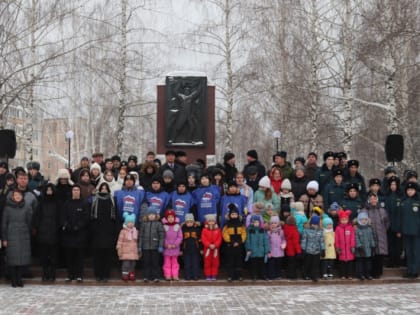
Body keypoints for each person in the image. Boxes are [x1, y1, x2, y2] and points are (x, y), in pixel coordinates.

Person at [2, 190, 33, 287]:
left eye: (19, 195)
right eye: (15, 195)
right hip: (11, 235)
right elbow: (4, 224)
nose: (17, 197)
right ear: (12, 197)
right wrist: (4, 238)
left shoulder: (27, 207)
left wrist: (27, 230)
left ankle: (19, 279)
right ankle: (13, 280)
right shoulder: (7, 208)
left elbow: (29, 221)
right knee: (12, 259)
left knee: (21, 259)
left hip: (23, 235)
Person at [60, 184, 90, 283]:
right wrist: (68, 226)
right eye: (74, 190)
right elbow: (63, 217)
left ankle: (79, 275)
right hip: (69, 234)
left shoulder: (84, 203)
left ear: (80, 192)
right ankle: (70, 274)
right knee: (69, 256)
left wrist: (78, 226)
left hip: (80, 234)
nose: (76, 192)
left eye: (77, 190)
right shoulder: (67, 203)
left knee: (79, 256)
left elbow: (86, 218)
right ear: (72, 192)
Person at [90, 182, 118, 282]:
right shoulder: (95, 200)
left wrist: (113, 230)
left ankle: (106, 274)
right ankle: (98, 274)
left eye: (106, 188)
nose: (104, 190)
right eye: (102, 188)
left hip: (108, 231)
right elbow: (92, 216)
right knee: (98, 255)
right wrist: (94, 228)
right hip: (97, 231)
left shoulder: (112, 200)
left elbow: (115, 216)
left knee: (107, 255)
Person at [32, 183, 59, 281]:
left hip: (54, 233)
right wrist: (37, 227)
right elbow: (36, 217)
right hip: (43, 233)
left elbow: (60, 218)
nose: (49, 192)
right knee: (44, 255)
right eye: (47, 190)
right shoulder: (41, 203)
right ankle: (45, 273)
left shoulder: (57, 203)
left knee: (53, 256)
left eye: (50, 190)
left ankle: (52, 273)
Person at [360, 193, 389, 278]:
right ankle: (370, 272)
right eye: (371, 198)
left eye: (374, 198)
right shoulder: (364, 210)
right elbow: (361, 222)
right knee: (371, 254)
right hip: (369, 235)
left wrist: (383, 230)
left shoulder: (382, 210)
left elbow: (387, 222)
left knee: (379, 255)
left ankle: (378, 272)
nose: (373, 200)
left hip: (381, 235)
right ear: (369, 200)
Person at [396, 182, 420, 279]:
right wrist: (399, 230)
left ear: (415, 191)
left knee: (416, 252)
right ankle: (409, 270)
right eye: (408, 190)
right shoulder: (403, 201)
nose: (410, 191)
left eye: (412, 190)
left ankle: (415, 271)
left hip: (417, 232)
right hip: (405, 231)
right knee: (408, 252)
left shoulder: (418, 201)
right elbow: (399, 217)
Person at [139, 207, 165, 282]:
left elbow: (162, 235)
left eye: (153, 215)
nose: (151, 216)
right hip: (146, 247)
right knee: (146, 262)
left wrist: (160, 245)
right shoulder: (144, 224)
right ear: (147, 215)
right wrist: (140, 246)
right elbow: (141, 236)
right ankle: (146, 276)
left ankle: (155, 277)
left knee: (155, 262)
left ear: (156, 216)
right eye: (149, 214)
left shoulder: (158, 224)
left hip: (155, 247)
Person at [222, 204, 246, 281]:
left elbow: (244, 233)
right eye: (232, 214)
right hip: (230, 245)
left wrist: (240, 242)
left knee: (238, 261)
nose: (234, 216)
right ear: (230, 215)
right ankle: (230, 275)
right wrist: (232, 242)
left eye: (236, 214)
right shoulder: (227, 225)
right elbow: (225, 234)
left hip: (239, 245)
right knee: (230, 261)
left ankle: (239, 275)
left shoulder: (241, 224)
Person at [245, 215, 270, 281]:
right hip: (253, 251)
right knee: (254, 265)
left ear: (259, 223)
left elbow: (266, 241)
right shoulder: (249, 231)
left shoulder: (262, 230)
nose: (256, 224)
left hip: (261, 251)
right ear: (251, 223)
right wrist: (248, 249)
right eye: (254, 222)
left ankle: (263, 275)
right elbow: (248, 241)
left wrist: (267, 250)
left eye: (257, 222)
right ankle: (254, 275)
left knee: (262, 265)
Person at [301, 215, 324, 282]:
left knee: (315, 265)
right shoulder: (306, 231)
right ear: (311, 224)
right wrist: (303, 249)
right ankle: (305, 275)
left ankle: (314, 276)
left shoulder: (320, 231)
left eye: (316, 224)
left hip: (317, 251)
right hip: (308, 250)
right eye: (313, 224)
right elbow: (304, 240)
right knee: (307, 264)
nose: (315, 226)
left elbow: (322, 241)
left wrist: (323, 249)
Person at [116, 213, 139, 282]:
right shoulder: (123, 231)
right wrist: (119, 248)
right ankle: (125, 274)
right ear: (126, 223)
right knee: (126, 264)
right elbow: (120, 241)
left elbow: (138, 241)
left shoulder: (136, 231)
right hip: (125, 251)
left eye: (132, 222)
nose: (131, 224)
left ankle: (131, 274)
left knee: (133, 264)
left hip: (133, 251)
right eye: (129, 222)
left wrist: (139, 250)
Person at [162, 209, 183, 281]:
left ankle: (175, 275)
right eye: (169, 217)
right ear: (166, 218)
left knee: (175, 263)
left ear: (174, 218)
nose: (170, 219)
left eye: (172, 217)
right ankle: (168, 275)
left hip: (175, 248)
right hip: (167, 248)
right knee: (167, 263)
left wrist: (175, 244)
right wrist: (166, 244)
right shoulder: (164, 227)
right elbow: (162, 237)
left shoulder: (177, 226)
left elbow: (180, 237)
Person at [335, 210, 355, 280]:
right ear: (340, 220)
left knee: (350, 263)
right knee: (342, 263)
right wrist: (337, 248)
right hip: (342, 249)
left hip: (349, 249)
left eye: (345, 219)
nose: (344, 221)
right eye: (342, 220)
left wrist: (352, 246)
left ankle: (349, 275)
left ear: (348, 220)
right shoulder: (338, 228)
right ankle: (342, 275)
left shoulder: (350, 227)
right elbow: (336, 239)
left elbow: (352, 237)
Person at [201, 213, 222, 280]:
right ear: (207, 222)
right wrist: (209, 245)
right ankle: (208, 275)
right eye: (209, 221)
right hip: (207, 249)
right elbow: (203, 238)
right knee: (207, 262)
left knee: (215, 263)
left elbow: (219, 238)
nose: (211, 223)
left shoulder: (218, 230)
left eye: (212, 221)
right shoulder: (204, 230)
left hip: (215, 249)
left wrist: (215, 245)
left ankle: (214, 275)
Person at [355, 212, 376, 281]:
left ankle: (368, 274)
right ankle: (360, 274)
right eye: (362, 220)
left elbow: (371, 238)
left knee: (368, 263)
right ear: (359, 220)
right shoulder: (357, 229)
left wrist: (373, 246)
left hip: (368, 250)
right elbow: (356, 238)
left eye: (365, 219)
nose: (363, 221)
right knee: (360, 263)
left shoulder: (369, 229)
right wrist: (359, 246)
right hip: (360, 250)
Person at [181, 213, 201, 281]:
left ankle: (195, 275)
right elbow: (181, 240)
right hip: (186, 250)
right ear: (185, 222)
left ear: (193, 222)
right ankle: (187, 275)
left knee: (195, 263)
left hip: (195, 249)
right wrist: (181, 250)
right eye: (188, 222)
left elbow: (200, 240)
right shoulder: (183, 229)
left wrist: (200, 248)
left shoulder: (197, 229)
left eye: (191, 222)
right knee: (187, 264)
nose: (189, 223)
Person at [267, 215, 286, 280]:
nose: (273, 225)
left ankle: (278, 275)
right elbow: (267, 242)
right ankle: (272, 275)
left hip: (279, 251)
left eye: (275, 223)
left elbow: (283, 239)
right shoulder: (269, 232)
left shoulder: (281, 231)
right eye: (272, 223)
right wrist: (268, 251)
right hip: (272, 251)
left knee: (278, 264)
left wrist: (283, 244)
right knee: (272, 264)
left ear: (278, 223)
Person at [283, 215, 302, 279]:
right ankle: (292, 276)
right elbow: (296, 242)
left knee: (288, 263)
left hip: (286, 249)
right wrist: (299, 251)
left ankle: (288, 275)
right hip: (292, 250)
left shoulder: (285, 228)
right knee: (293, 264)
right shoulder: (294, 230)